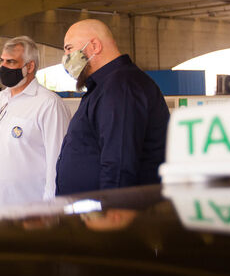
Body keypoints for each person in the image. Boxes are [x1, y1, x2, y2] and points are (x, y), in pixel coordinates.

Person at [55, 19, 170, 194]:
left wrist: (112, 215)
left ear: (94, 46)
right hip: (92, 213)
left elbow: (119, 164)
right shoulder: (105, 86)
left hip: (109, 216)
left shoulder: (121, 87)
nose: (66, 58)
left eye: (69, 48)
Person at [0, 36, 71, 211]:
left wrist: (49, 210)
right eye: (2, 61)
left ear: (29, 66)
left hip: (30, 211)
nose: (3, 67)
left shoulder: (48, 104)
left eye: (11, 62)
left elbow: (58, 162)